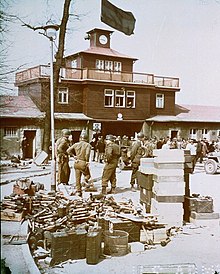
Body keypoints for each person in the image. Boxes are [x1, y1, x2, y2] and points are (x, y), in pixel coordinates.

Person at [67, 132, 91, 197]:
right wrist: (87, 161)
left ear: (80, 138)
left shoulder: (76, 144)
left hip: (77, 162)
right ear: (86, 138)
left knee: (77, 178)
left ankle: (78, 191)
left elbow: (68, 151)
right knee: (88, 175)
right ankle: (84, 181)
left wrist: (73, 156)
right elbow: (87, 154)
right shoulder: (88, 145)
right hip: (83, 162)